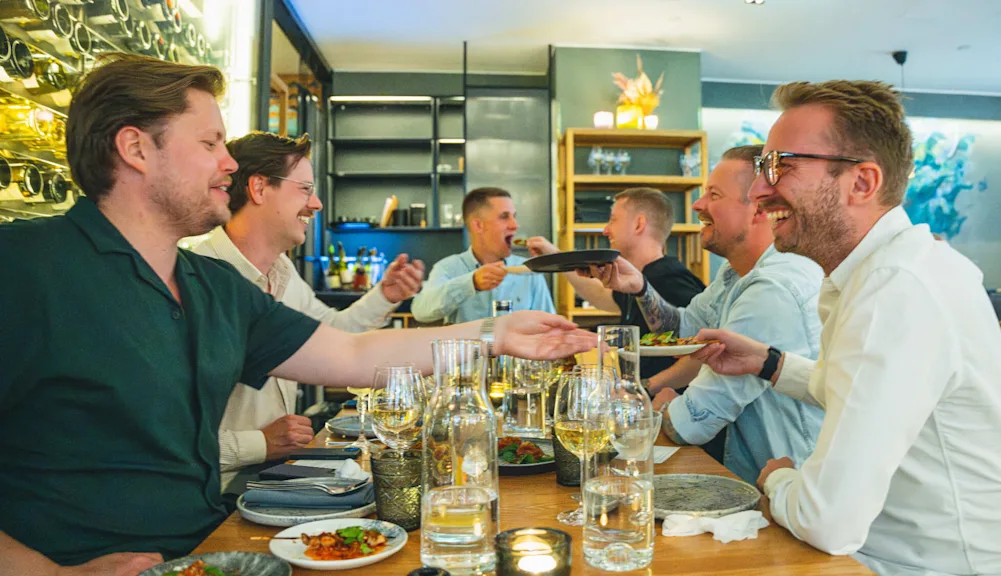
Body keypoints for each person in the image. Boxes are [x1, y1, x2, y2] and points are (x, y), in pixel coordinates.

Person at [0, 54, 596, 575]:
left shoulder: (213, 286)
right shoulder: (24, 267)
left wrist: (496, 332)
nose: (229, 165)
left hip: (212, 550)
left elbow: (350, 353)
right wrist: (49, 573)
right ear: (135, 149)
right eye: (209, 144)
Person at [688, 81, 1001, 574]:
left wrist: (777, 479)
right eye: (763, 167)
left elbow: (826, 520)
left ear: (862, 183)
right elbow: (856, 389)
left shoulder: (896, 289)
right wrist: (769, 363)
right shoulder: (887, 271)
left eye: (781, 166)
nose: (759, 191)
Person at [190, 132, 424, 494]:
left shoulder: (282, 270)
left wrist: (385, 295)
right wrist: (259, 443)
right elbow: (163, 441)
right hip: (215, 496)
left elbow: (334, 333)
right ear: (258, 188)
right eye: (305, 189)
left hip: (274, 478)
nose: (316, 204)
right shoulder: (196, 278)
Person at [580, 147, 824, 485]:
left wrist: (663, 403)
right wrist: (640, 288)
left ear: (758, 208)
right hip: (754, 481)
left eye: (714, 195)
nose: (697, 205)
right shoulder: (735, 273)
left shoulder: (772, 289)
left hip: (787, 490)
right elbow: (683, 330)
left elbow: (690, 424)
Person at [526, 187, 705, 382]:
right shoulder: (640, 279)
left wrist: (647, 387)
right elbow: (602, 296)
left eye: (613, 220)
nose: (605, 230)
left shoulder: (669, 278)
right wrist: (556, 258)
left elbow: (701, 351)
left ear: (638, 224)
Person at [411, 187, 555, 323]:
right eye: (504, 217)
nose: (515, 225)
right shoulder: (448, 268)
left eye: (514, 216)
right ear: (478, 225)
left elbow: (549, 323)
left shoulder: (528, 270)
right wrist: (471, 283)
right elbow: (420, 311)